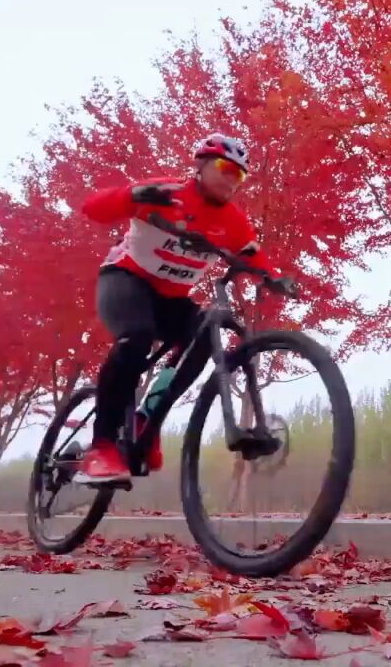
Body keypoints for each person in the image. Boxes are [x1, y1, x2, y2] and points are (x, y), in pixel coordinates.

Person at [77, 133, 296, 483]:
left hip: (170, 299)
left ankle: (147, 418)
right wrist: (130, 196)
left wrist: (273, 279)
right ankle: (100, 448)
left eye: (239, 175)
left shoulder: (234, 221)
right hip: (125, 279)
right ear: (202, 164)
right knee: (136, 339)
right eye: (225, 168)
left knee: (204, 337)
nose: (231, 179)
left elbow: (252, 256)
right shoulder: (166, 194)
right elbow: (92, 208)